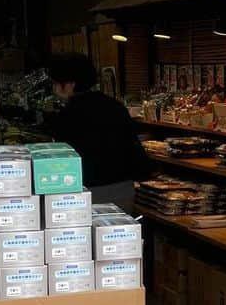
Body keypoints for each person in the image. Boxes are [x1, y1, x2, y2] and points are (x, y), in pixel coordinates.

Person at [45, 52, 150, 212]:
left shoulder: (68, 115)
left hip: (87, 192)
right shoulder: (115, 106)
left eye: (56, 83)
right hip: (123, 189)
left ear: (70, 84)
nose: (54, 89)